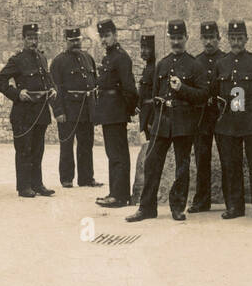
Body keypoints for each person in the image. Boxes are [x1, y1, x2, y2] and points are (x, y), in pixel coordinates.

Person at [127, 19, 209, 223]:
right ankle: (146, 208)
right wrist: (150, 122)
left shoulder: (195, 65)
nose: (176, 42)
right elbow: (154, 96)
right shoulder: (162, 64)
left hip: (183, 123)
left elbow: (203, 95)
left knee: (182, 166)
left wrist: (182, 88)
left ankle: (178, 207)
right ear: (169, 39)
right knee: (151, 163)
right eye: (173, 38)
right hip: (162, 122)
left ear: (186, 38)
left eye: (180, 38)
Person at [212, 20, 252, 220]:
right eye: (233, 38)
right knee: (232, 166)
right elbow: (214, 92)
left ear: (247, 39)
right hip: (228, 124)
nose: (237, 42)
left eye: (240, 38)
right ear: (228, 39)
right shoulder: (221, 63)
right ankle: (235, 207)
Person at [0, 23, 58, 197]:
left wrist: (53, 89)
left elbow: (48, 79)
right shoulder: (17, 60)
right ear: (23, 39)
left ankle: (37, 184)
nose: (33, 42)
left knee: (38, 150)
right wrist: (17, 93)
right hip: (23, 113)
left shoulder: (42, 58)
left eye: (35, 38)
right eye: (30, 38)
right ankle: (24, 187)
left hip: (40, 112)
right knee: (24, 150)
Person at [92, 20, 139, 209]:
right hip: (109, 112)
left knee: (118, 154)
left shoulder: (121, 58)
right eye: (102, 36)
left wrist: (126, 111)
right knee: (113, 154)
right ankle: (115, 192)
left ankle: (120, 196)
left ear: (115, 35)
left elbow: (130, 89)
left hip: (116, 112)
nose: (104, 40)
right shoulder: (109, 57)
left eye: (107, 36)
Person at [51, 27, 99, 189]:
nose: (75, 43)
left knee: (86, 144)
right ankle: (66, 178)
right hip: (68, 110)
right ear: (66, 41)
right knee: (67, 145)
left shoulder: (88, 58)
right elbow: (54, 89)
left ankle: (86, 178)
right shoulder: (58, 62)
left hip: (86, 109)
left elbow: (94, 85)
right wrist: (58, 111)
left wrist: (95, 109)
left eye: (78, 39)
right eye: (72, 41)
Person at [189, 20, 225, 213]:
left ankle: (232, 200)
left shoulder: (226, 60)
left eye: (212, 38)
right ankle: (202, 200)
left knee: (227, 157)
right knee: (202, 158)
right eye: (205, 38)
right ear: (201, 39)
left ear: (219, 38)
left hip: (221, 116)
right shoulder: (196, 62)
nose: (209, 42)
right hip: (202, 116)